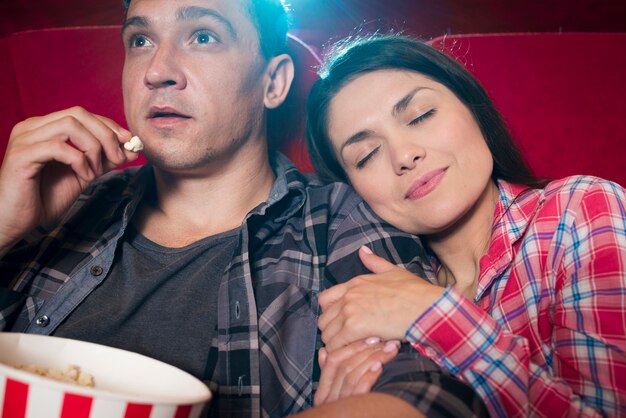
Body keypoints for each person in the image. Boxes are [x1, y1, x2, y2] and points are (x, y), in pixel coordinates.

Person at [0, 2, 489, 417]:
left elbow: (428, 391)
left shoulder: (340, 220)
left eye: (203, 36)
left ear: (272, 83)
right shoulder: (58, 204)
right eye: (141, 41)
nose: (157, 71)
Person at [305, 33, 626, 417]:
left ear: (472, 107)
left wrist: (431, 314)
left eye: (421, 116)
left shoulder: (581, 207)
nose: (404, 155)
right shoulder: (378, 297)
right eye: (366, 155)